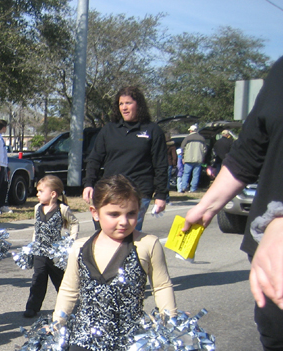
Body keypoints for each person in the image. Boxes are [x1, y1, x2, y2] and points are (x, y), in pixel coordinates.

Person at [183, 56, 283, 351]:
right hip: (268, 234)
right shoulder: (280, 72)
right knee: (274, 322)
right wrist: (205, 206)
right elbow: (249, 153)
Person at [55, 175, 176, 351]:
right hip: (86, 329)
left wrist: (168, 323)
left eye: (131, 213)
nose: (124, 221)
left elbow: (161, 286)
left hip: (128, 333)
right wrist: (57, 323)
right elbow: (69, 289)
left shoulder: (147, 244)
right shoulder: (80, 247)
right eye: (114, 214)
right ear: (95, 213)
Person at [83, 86, 168, 231]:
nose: (124, 107)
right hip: (111, 189)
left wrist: (161, 195)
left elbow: (161, 165)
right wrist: (89, 183)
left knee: (128, 234)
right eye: (121, 104)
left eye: (128, 103)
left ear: (138, 105)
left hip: (139, 190)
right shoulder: (109, 130)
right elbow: (95, 159)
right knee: (105, 232)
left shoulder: (152, 130)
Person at [24, 175, 79, 319]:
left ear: (53, 194)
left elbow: (74, 223)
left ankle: (68, 306)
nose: (37, 194)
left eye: (41, 191)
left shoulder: (62, 209)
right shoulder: (37, 208)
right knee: (38, 278)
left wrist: (71, 240)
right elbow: (37, 228)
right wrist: (33, 243)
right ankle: (32, 307)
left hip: (55, 253)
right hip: (39, 251)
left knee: (59, 280)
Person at [179, 124, 208, 193]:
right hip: (198, 159)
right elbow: (205, 150)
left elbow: (182, 149)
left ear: (191, 131)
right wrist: (202, 156)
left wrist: (183, 157)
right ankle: (193, 189)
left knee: (186, 174)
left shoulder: (187, 138)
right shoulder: (202, 139)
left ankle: (183, 187)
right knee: (196, 175)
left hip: (188, 159)